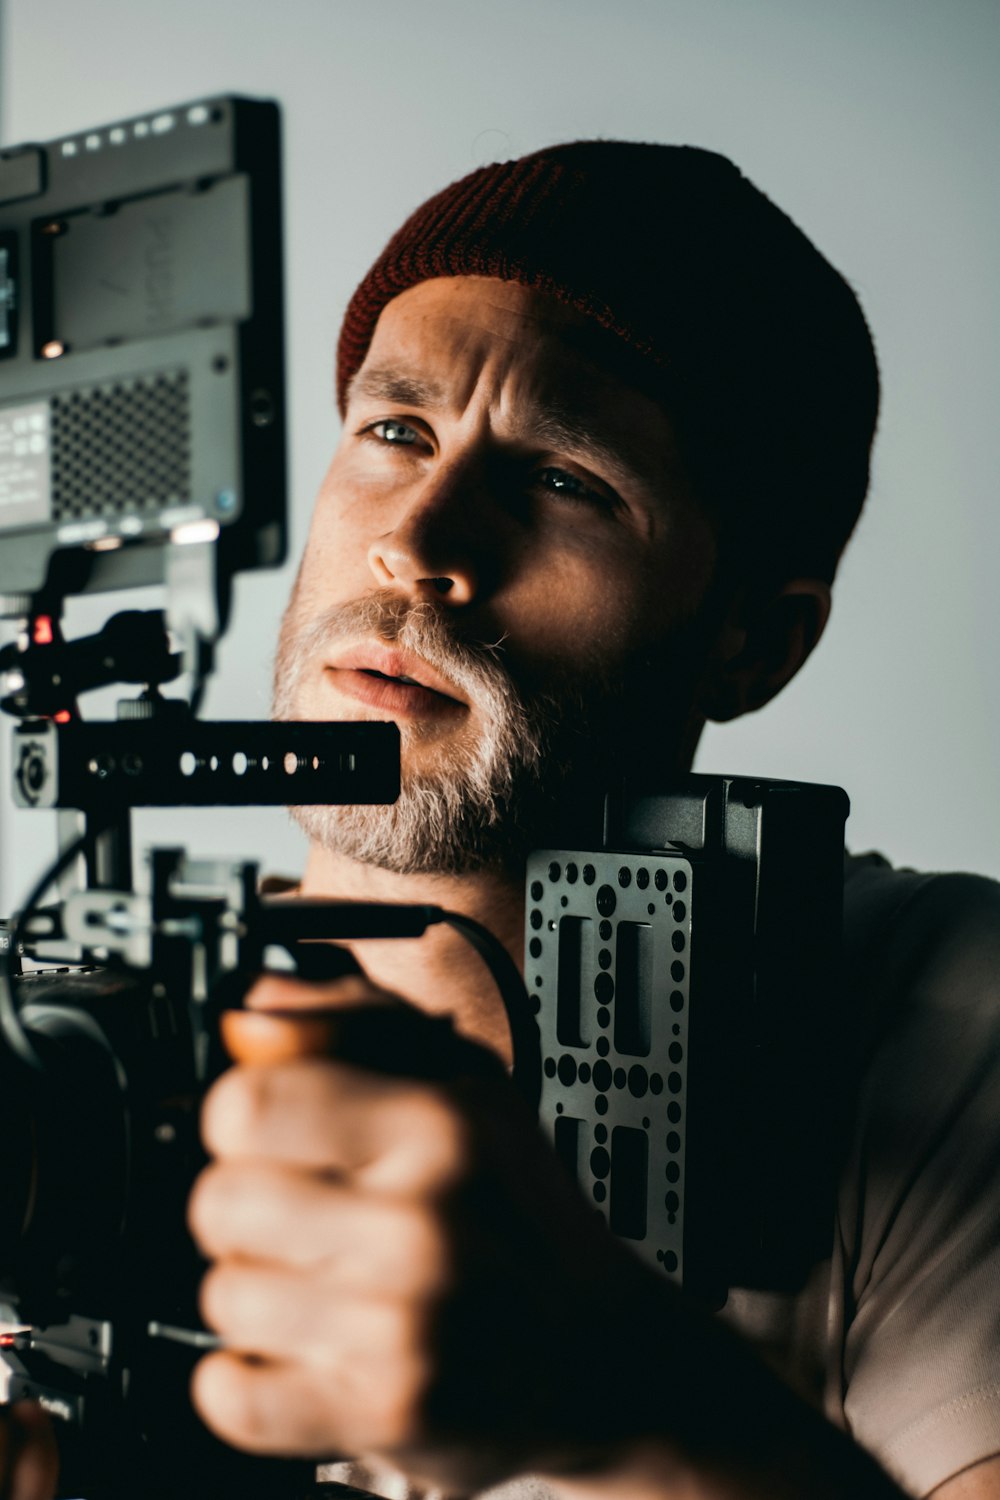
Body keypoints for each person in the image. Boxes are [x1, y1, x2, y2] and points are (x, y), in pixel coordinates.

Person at [181, 143, 1000, 1500]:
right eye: (395, 431)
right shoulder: (85, 1057)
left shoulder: (942, 1009)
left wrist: (624, 1406)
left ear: (752, 643)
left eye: (565, 479)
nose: (421, 543)